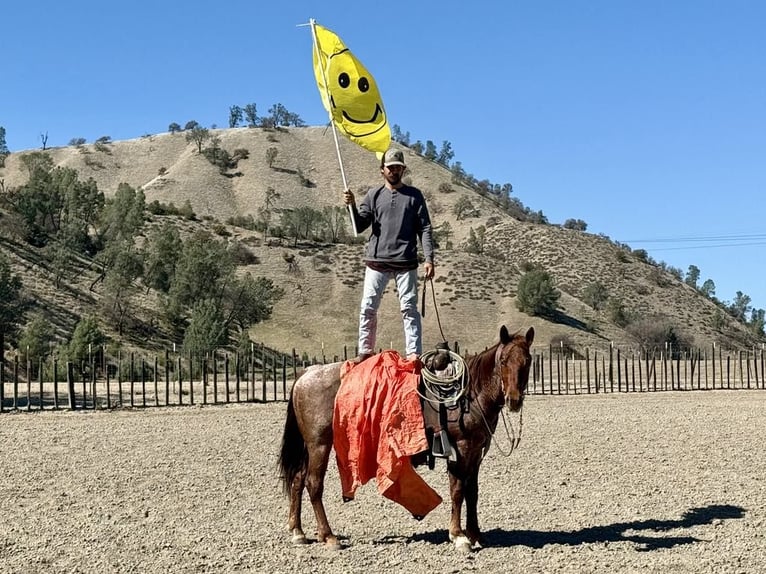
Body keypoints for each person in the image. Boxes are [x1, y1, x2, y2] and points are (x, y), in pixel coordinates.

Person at [343, 147, 435, 364]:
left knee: (409, 309)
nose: (394, 171)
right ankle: (365, 351)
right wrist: (352, 205)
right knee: (368, 307)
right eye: (390, 167)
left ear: (403, 170)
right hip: (376, 262)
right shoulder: (373, 195)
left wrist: (429, 258)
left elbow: (425, 228)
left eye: (398, 168)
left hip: (407, 262)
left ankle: (414, 355)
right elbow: (359, 226)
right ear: (382, 170)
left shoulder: (415, 196)